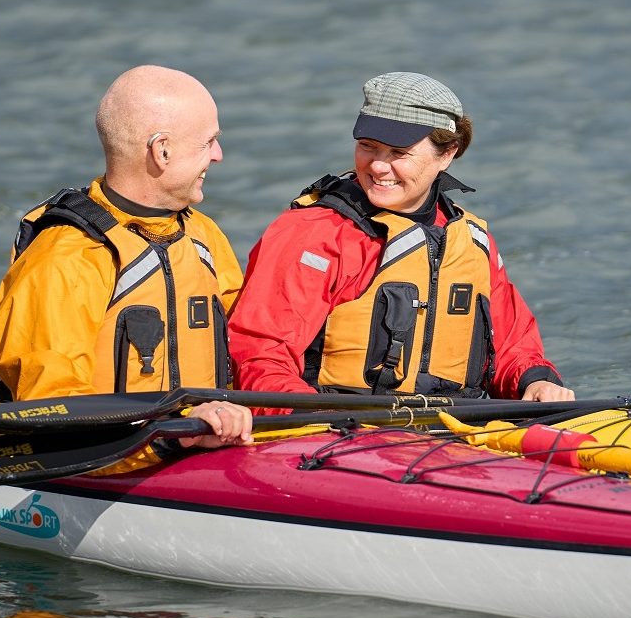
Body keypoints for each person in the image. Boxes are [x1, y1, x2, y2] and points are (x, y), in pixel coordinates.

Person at [228, 71, 574, 410]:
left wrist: (536, 380)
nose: (378, 166)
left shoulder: (471, 240)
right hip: (333, 432)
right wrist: (318, 419)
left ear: (448, 153)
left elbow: (513, 346)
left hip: (455, 426)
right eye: (368, 146)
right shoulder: (312, 233)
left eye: (399, 153)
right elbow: (259, 355)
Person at [0, 65, 252, 450]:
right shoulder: (67, 257)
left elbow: (245, 342)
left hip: (202, 444)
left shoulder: (202, 234)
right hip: (115, 454)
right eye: (208, 142)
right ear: (162, 151)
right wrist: (176, 436)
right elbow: (54, 403)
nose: (218, 155)